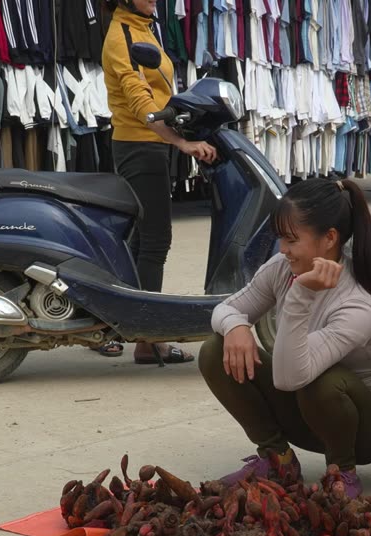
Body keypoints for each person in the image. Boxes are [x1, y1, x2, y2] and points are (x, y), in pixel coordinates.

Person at [199, 178, 371, 498]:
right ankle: (278, 460)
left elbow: (292, 376)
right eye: (281, 239)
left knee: (319, 378)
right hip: (310, 411)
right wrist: (236, 326)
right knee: (214, 350)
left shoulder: (357, 303)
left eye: (291, 240)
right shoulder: (281, 268)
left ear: (329, 238)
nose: (282, 250)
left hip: (366, 431)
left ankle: (342, 471)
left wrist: (300, 295)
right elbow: (225, 309)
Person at [99, 0, 217, 364]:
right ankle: (149, 340)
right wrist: (181, 142)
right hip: (139, 146)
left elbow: (161, 88)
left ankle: (136, 327)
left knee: (139, 242)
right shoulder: (122, 35)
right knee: (154, 240)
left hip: (152, 144)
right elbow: (140, 100)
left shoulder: (144, 26)